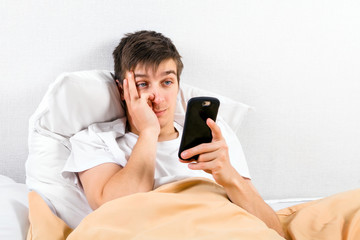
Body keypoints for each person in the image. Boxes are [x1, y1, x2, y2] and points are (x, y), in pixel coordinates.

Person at [72, 30, 284, 237]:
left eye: (167, 82)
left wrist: (230, 177)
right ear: (122, 90)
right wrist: (149, 132)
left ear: (177, 86)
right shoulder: (96, 140)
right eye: (143, 84)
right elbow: (115, 212)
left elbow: (275, 230)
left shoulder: (215, 134)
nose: (158, 98)